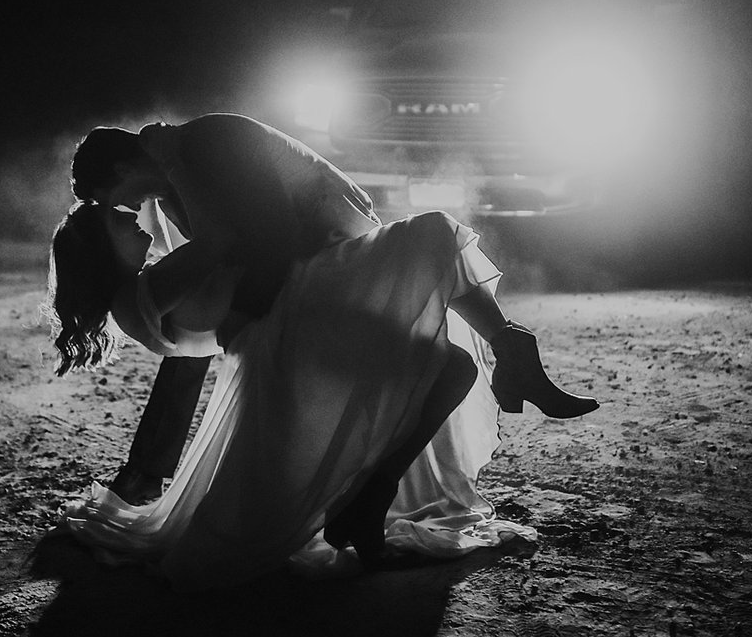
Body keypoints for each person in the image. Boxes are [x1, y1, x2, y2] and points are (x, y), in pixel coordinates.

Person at [45, 191, 597, 590]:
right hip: (297, 325)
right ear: (99, 251)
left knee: (451, 366)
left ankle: (374, 490)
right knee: (434, 235)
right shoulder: (138, 294)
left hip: (295, 329)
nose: (132, 214)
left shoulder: (147, 286)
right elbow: (223, 238)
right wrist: (178, 176)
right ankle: (510, 346)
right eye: (118, 219)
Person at [68, 112, 597, 508]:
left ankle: (510, 350)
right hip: (291, 270)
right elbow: (219, 256)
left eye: (114, 196)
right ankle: (511, 349)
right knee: (437, 254)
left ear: (121, 167)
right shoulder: (172, 185)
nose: (125, 208)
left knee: (436, 240)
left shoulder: (202, 146)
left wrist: (248, 307)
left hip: (322, 243)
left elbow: (268, 230)